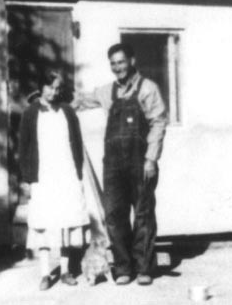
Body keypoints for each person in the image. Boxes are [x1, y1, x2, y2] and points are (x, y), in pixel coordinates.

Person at [71, 43, 168, 286]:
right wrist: (57, 99)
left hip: (141, 162)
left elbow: (158, 122)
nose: (117, 68)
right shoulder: (107, 92)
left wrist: (151, 158)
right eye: (113, 64)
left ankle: (144, 268)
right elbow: (81, 101)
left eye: (121, 62)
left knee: (143, 215)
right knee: (114, 215)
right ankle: (124, 267)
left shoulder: (148, 88)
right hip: (113, 164)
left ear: (132, 61)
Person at [17, 71, 89, 290]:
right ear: (41, 88)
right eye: (49, 87)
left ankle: (66, 271)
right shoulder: (30, 113)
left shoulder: (67, 111)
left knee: (66, 221)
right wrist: (27, 179)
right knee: (44, 222)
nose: (54, 92)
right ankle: (45, 273)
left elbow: (76, 142)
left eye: (57, 88)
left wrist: (78, 173)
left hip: (66, 174)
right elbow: (24, 147)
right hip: (43, 175)